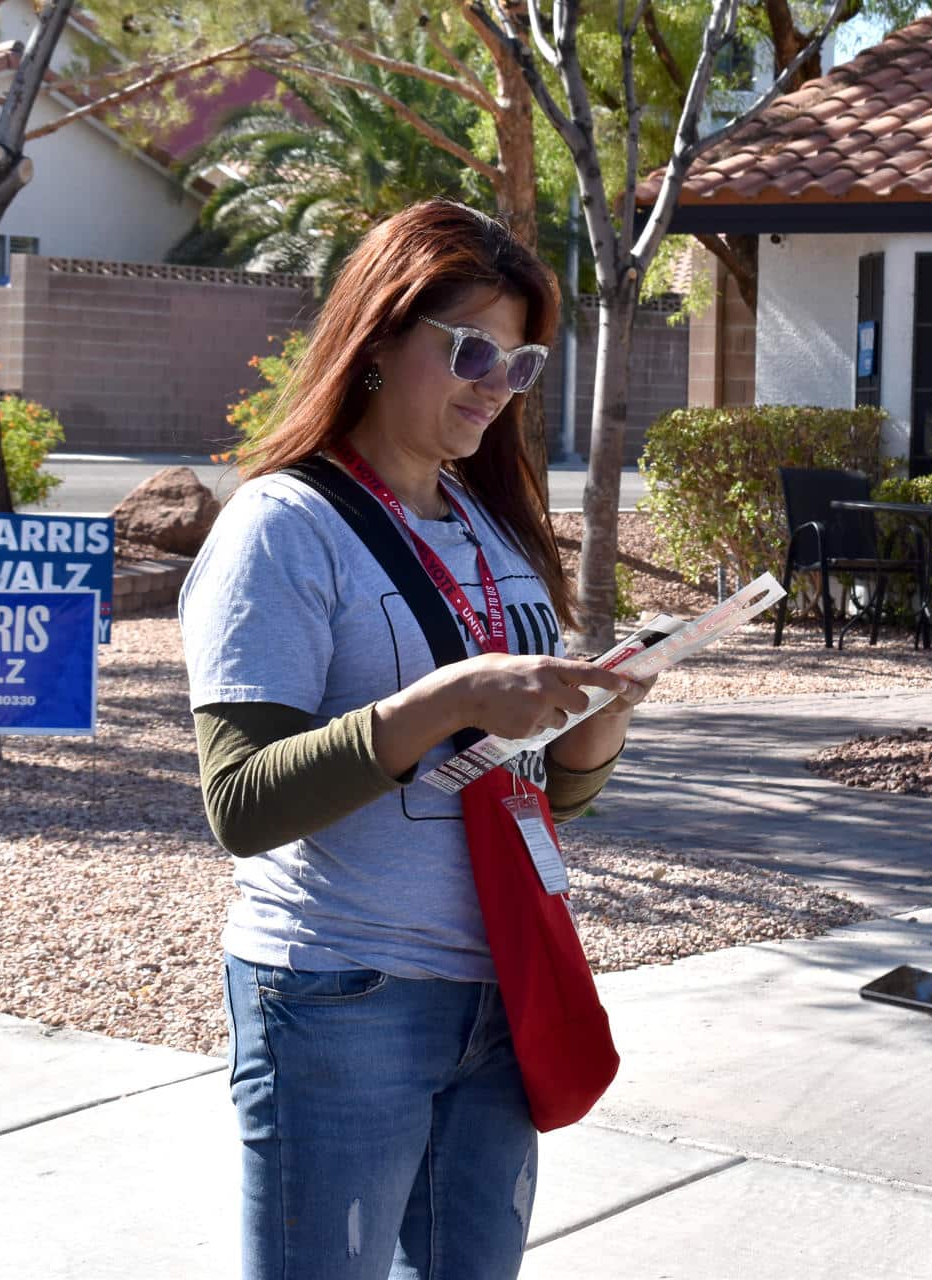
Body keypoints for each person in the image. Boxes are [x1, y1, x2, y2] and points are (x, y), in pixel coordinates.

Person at [180, 199, 653, 1280]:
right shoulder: (281, 527)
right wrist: (444, 700)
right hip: (344, 990)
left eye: (523, 362)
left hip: (500, 984)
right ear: (381, 338)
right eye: (474, 349)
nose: (498, 383)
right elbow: (241, 802)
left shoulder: (489, 524)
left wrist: (594, 726)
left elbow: (526, 793)